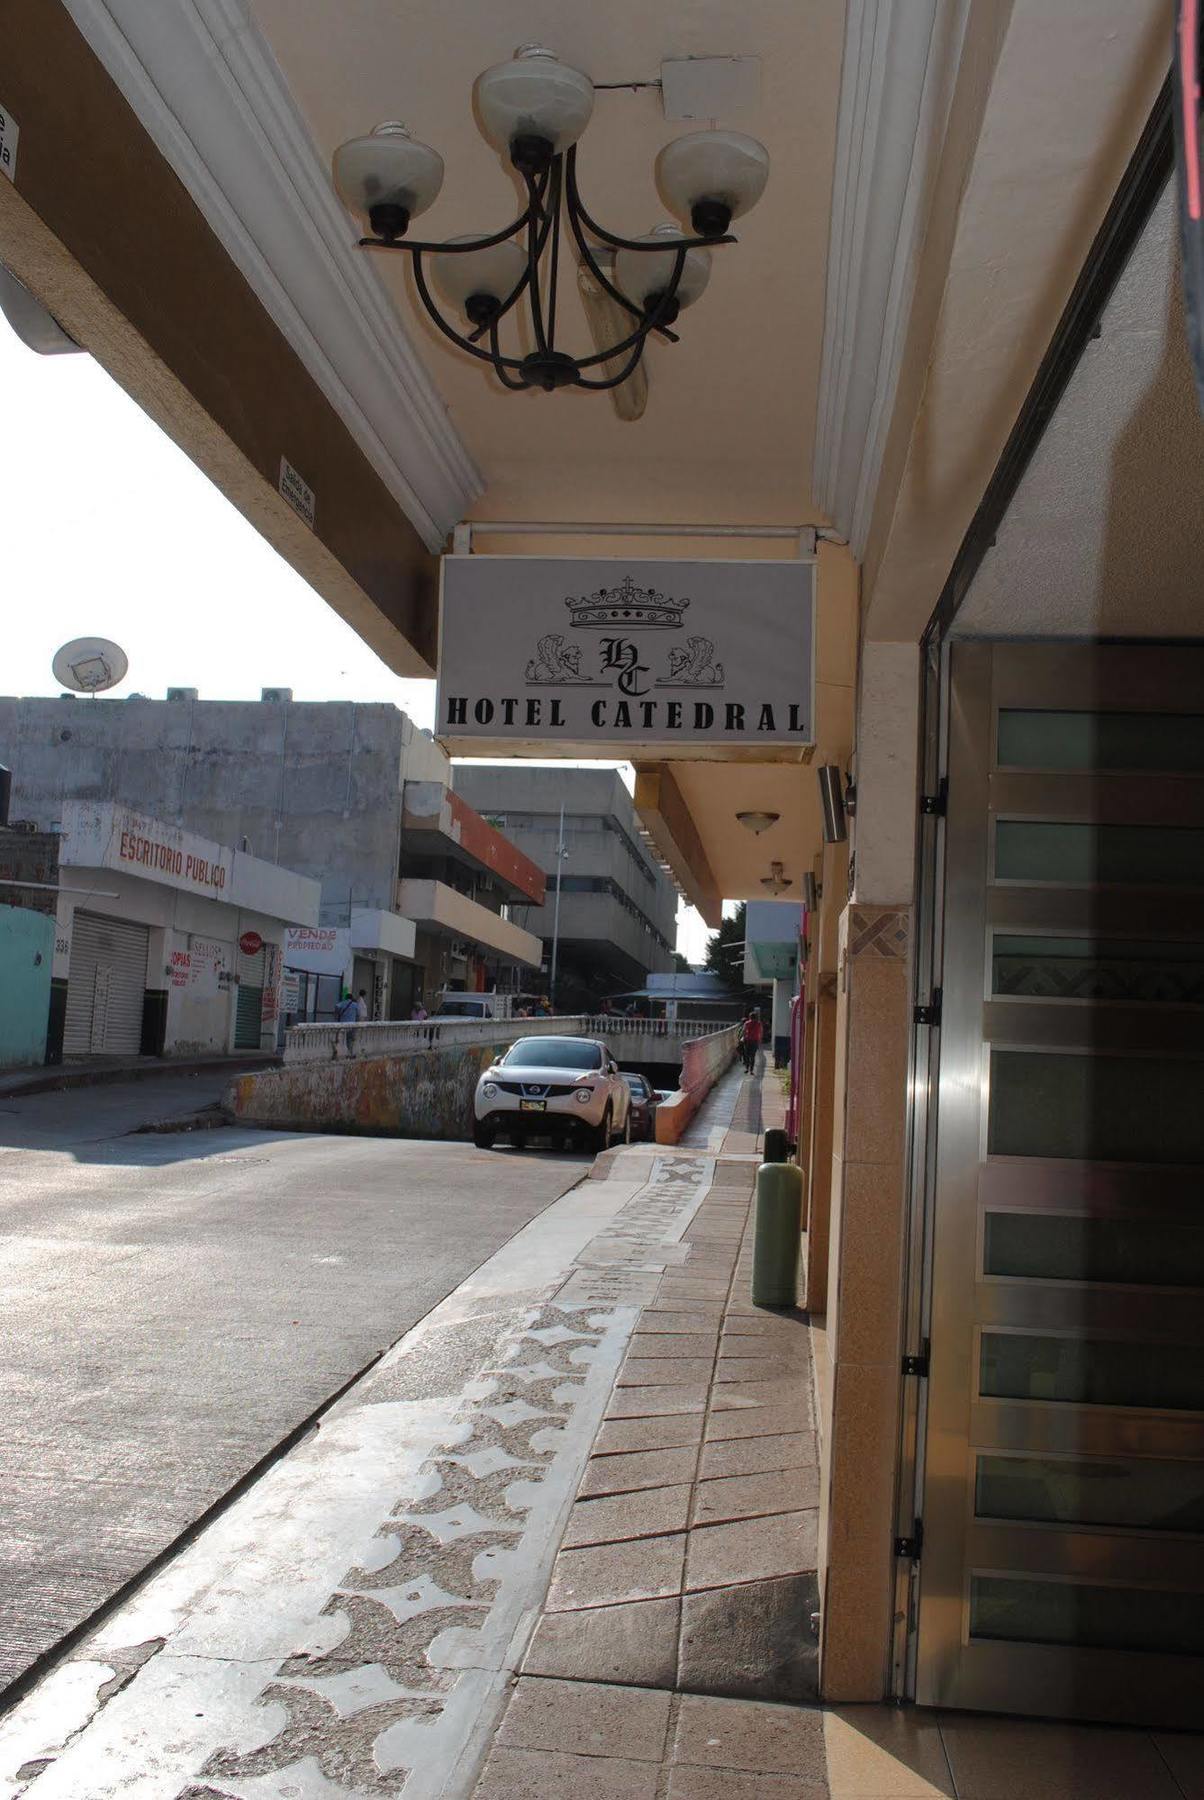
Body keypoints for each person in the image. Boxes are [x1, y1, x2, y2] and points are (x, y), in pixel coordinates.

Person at [740, 1008, 764, 1074]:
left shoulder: (747, 1023)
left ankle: (746, 1068)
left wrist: (744, 1038)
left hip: (748, 1041)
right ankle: (751, 1070)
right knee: (753, 1056)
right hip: (755, 1041)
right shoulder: (759, 1024)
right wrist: (760, 1040)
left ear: (749, 1017)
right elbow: (761, 1032)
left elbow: (744, 1032)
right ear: (756, 1017)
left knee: (747, 1055)